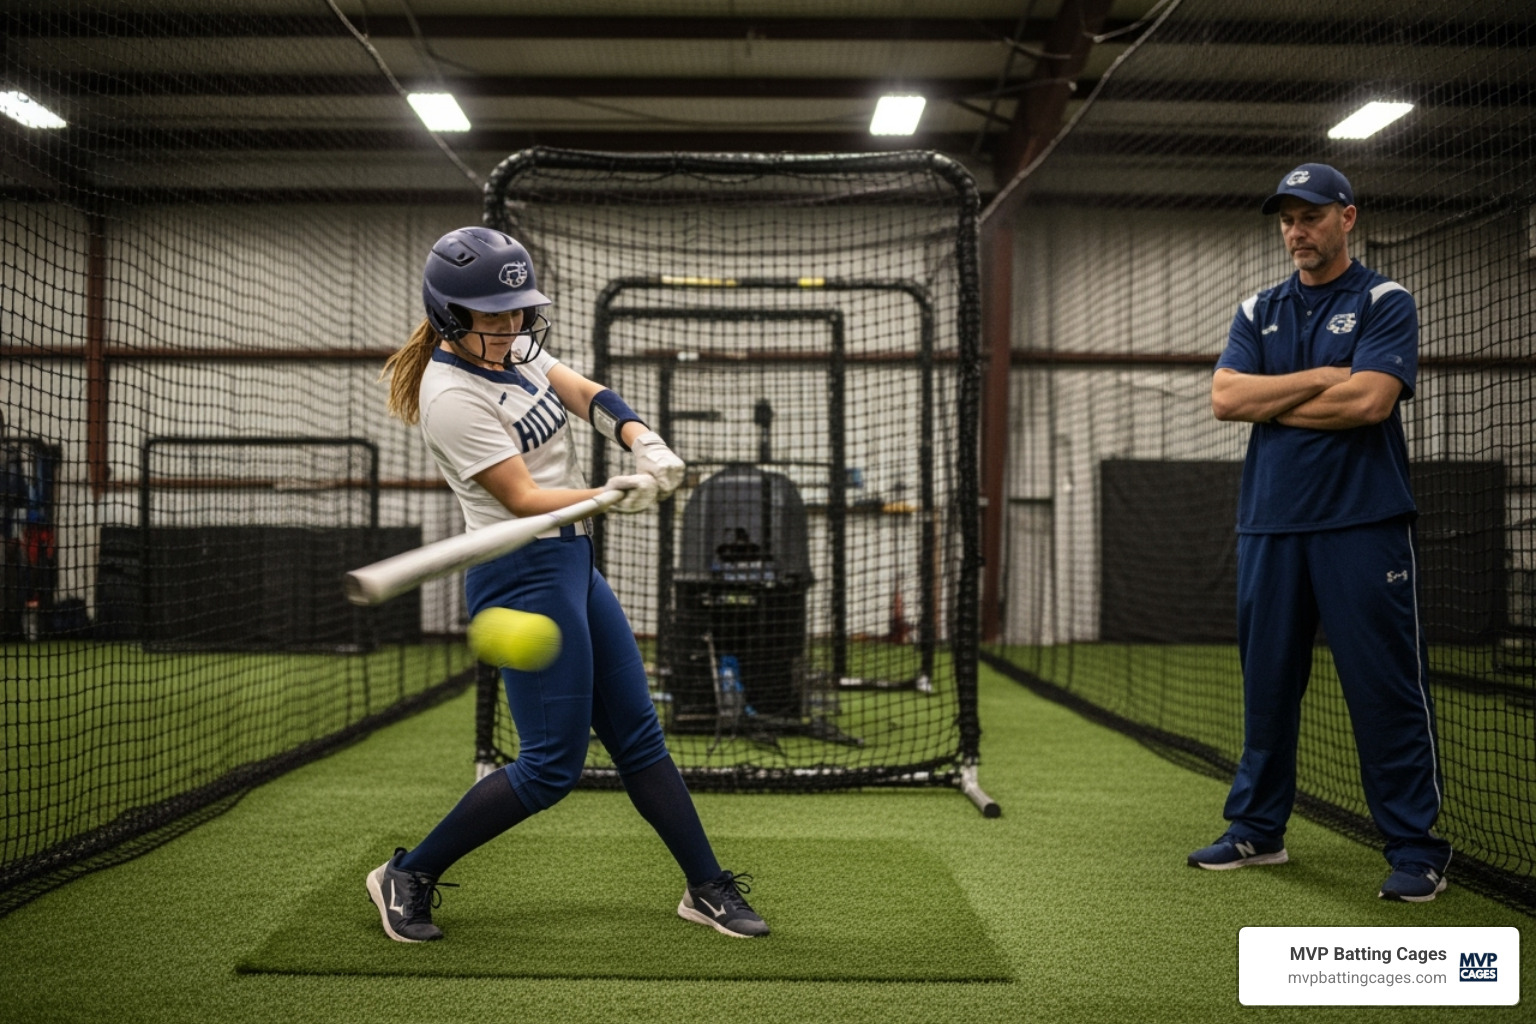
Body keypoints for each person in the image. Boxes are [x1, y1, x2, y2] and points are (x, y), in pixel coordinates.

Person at [366, 226, 769, 941]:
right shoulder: (450, 395)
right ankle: (409, 872)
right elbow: (521, 498)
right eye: (493, 315)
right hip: (519, 575)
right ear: (451, 315)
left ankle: (706, 886)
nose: (512, 326)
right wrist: (615, 490)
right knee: (550, 768)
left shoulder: (516, 351)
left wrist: (641, 438)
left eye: (518, 310)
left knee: (639, 739)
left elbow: (583, 391)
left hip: (572, 564)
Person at [1192, 164, 1452, 902]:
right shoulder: (1257, 309)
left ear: (1348, 218)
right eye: (1287, 219)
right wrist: (1316, 378)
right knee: (1267, 687)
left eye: (1310, 216)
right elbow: (1224, 398)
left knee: (1384, 689)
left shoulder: (1383, 300)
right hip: (1271, 525)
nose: (1297, 231)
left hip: (1362, 522)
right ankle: (1256, 830)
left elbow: (1369, 403)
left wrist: (1271, 400)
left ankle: (1415, 848)